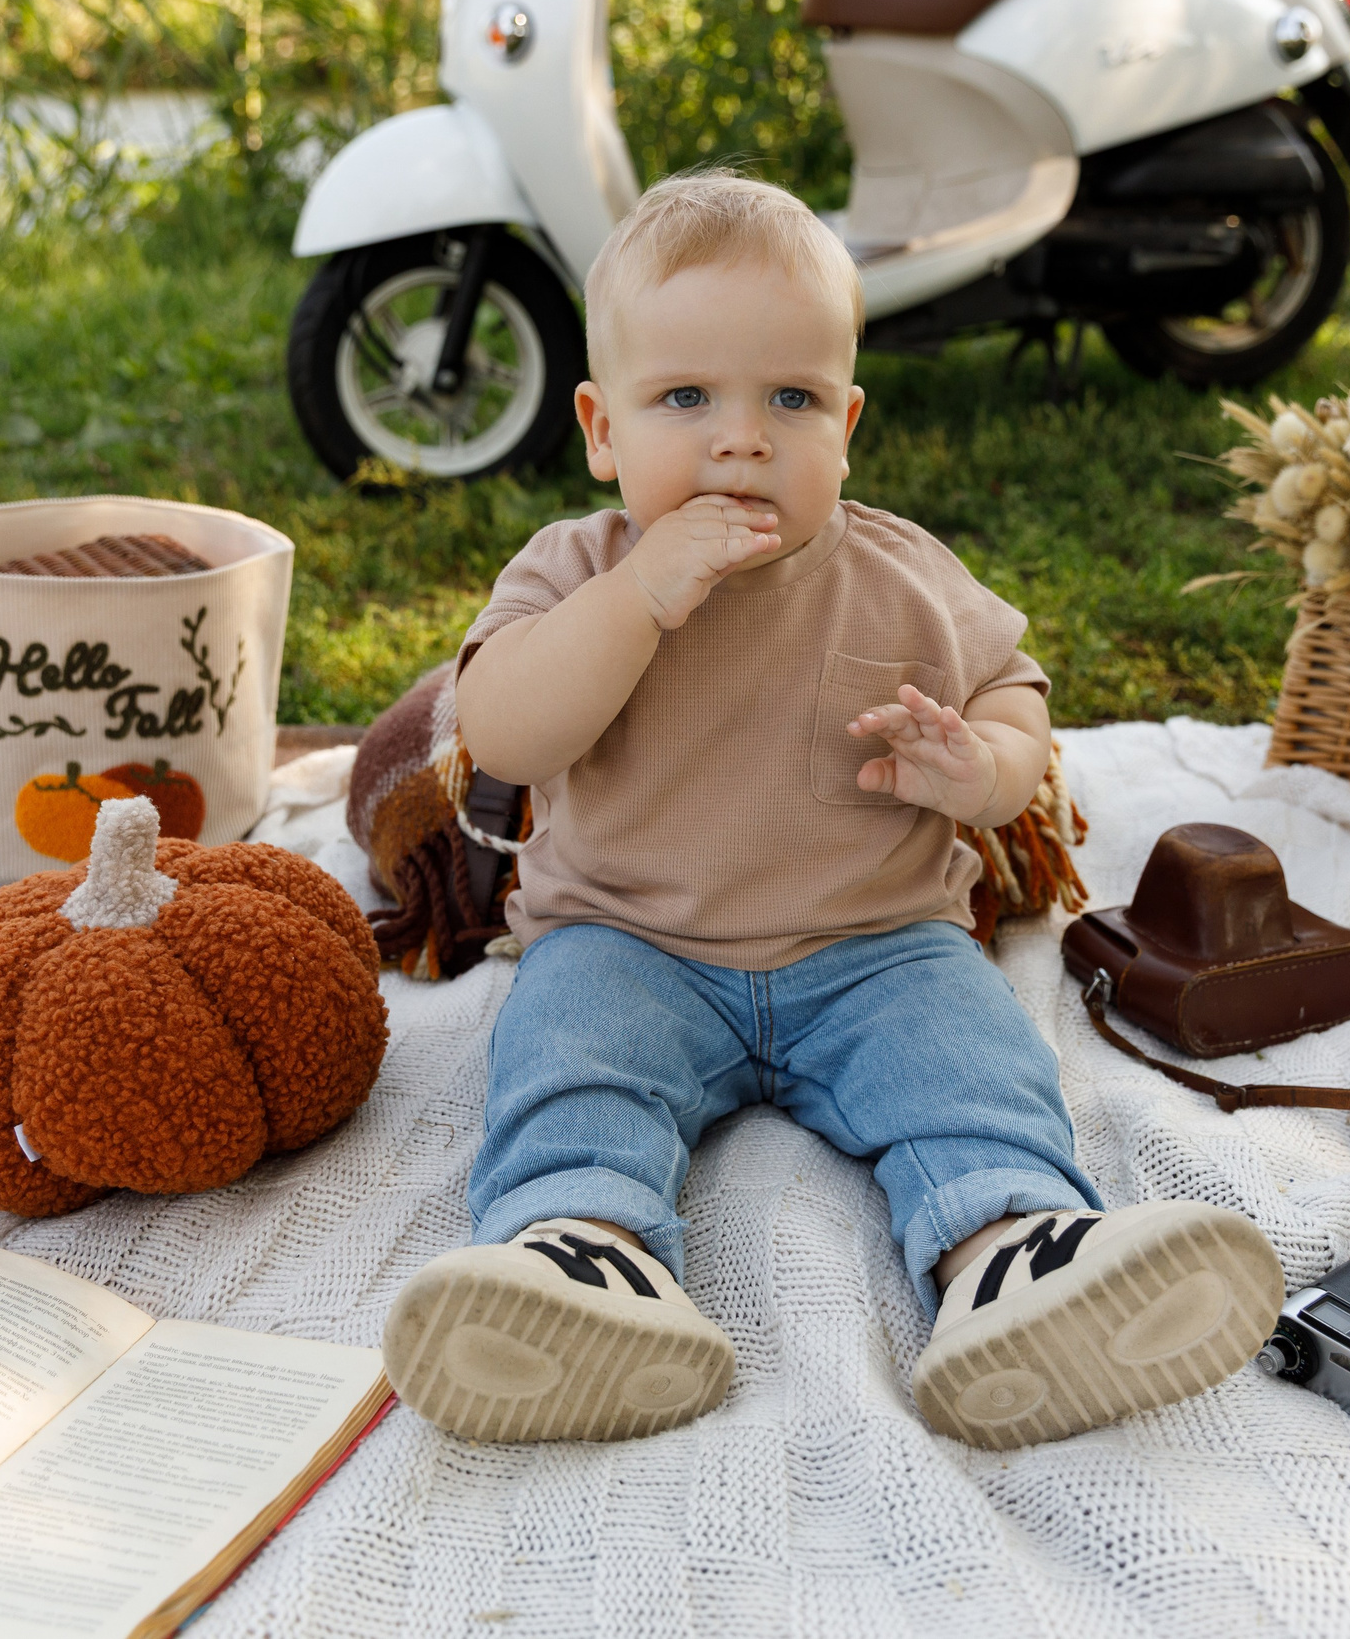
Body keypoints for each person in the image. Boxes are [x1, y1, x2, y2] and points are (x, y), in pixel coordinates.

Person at [380, 170, 1280, 1451]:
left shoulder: (903, 577)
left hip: (872, 945)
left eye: (788, 399)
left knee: (970, 1064)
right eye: (684, 399)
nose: (740, 438)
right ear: (599, 429)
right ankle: (584, 1259)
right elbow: (509, 735)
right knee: (566, 1060)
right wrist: (641, 598)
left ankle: (1012, 1255)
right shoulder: (573, 569)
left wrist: (978, 771)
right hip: (630, 941)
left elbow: (1016, 709)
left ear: (845, 424)